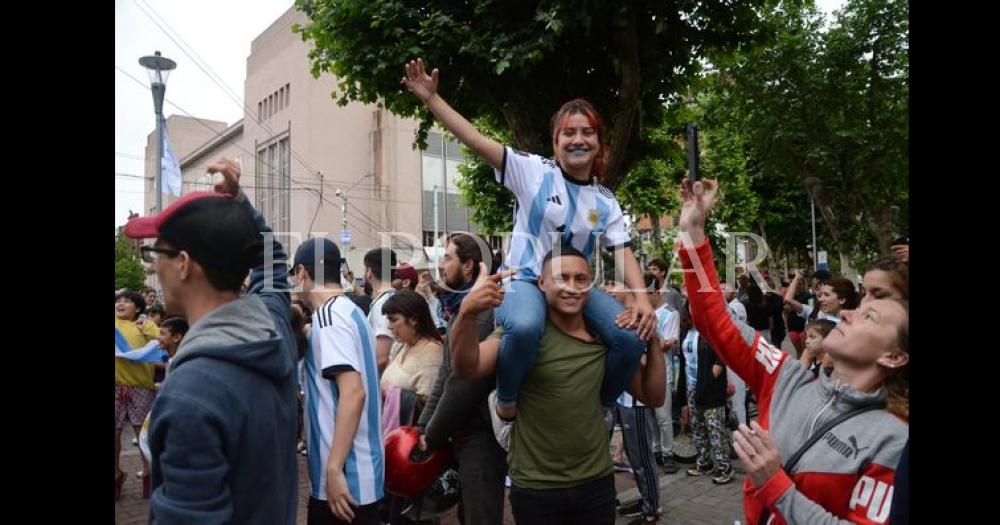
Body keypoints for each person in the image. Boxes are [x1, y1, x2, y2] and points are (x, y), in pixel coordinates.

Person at [403, 58, 653, 421]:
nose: (578, 139)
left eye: (587, 132)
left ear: (599, 143)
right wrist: (431, 99)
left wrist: (642, 299)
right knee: (523, 326)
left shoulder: (606, 201)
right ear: (555, 143)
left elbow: (622, 251)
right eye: (568, 133)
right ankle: (505, 398)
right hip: (523, 281)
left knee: (631, 340)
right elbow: (473, 138)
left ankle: (600, 403)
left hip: (574, 288)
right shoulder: (531, 171)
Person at [676, 179, 908, 525]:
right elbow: (715, 320)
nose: (848, 311)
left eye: (871, 311)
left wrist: (774, 484)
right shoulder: (785, 375)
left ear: (894, 356)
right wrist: (692, 232)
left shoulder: (893, 439)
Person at [125, 158, 298, 524]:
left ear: (184, 263)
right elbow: (273, 263)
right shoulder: (271, 325)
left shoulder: (191, 391)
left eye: (155, 252)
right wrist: (239, 204)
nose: (153, 265)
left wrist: (237, 207)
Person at [449, 245, 664, 524]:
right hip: (536, 488)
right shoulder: (522, 338)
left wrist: (653, 340)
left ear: (590, 285)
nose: (571, 287)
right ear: (541, 283)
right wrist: (466, 314)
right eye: (561, 278)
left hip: (596, 483)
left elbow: (653, 396)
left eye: (581, 279)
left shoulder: (604, 339)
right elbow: (466, 368)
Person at [292, 235, 385, 525]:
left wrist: (333, 469)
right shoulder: (352, 312)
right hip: (362, 474)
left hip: (345, 482)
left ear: (302, 273)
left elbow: (353, 393)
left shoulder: (330, 320)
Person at [114, 289, 160, 500]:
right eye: (118, 301)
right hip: (116, 387)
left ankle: (149, 475)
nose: (120, 304)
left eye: (127, 301)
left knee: (142, 436)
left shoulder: (143, 326)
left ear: (139, 308)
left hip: (141, 387)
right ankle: (116, 476)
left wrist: (147, 325)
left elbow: (161, 340)